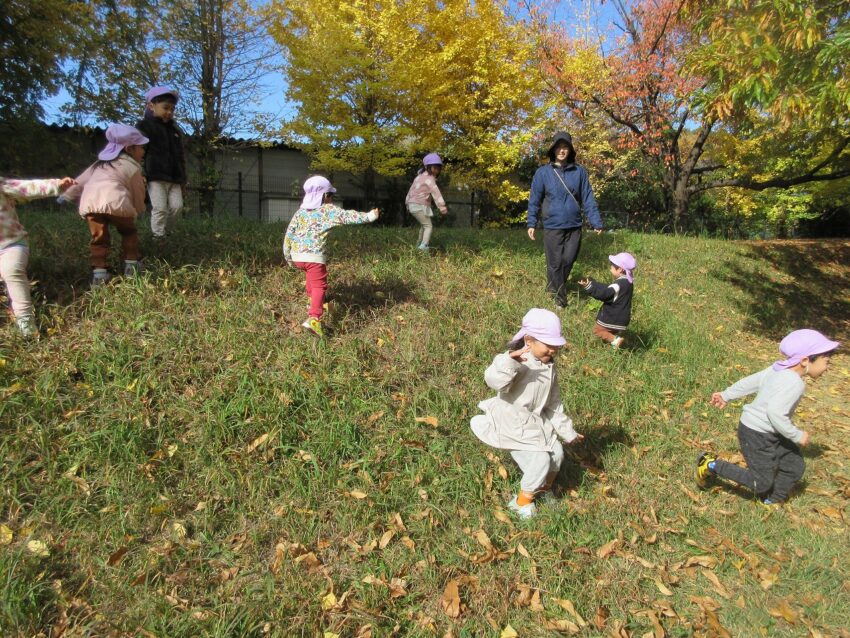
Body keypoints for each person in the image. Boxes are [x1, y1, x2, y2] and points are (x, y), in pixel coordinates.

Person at [697, 329, 839, 505]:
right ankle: (711, 464)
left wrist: (726, 395)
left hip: (771, 431)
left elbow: (750, 382)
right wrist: (796, 435)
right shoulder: (795, 383)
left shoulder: (777, 369)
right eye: (826, 361)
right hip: (756, 433)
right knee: (761, 482)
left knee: (794, 466)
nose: (827, 367)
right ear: (805, 361)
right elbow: (775, 414)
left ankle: (772, 500)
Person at [470, 309, 584, 519]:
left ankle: (542, 489)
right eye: (548, 344)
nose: (553, 350)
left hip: (536, 424)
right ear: (529, 341)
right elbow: (494, 381)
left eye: (556, 345)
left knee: (557, 454)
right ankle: (521, 502)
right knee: (540, 461)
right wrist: (508, 362)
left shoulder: (549, 366)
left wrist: (567, 431)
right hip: (512, 425)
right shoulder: (517, 362)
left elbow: (553, 403)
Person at [283, 176, 380, 337]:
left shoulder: (300, 213)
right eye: (330, 195)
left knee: (311, 278)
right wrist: (370, 216)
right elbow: (348, 216)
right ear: (324, 196)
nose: (331, 199)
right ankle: (314, 318)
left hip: (297, 256)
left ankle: (312, 301)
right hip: (314, 257)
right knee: (319, 285)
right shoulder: (328, 210)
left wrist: (288, 256)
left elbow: (289, 234)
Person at [63, 124, 148, 286]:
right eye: (141, 147)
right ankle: (131, 267)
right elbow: (138, 191)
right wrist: (138, 209)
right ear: (129, 149)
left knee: (99, 239)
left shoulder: (99, 164)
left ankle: (99, 274)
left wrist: (67, 195)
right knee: (129, 232)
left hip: (91, 204)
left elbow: (80, 181)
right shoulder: (132, 167)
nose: (143, 151)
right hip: (117, 202)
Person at [527, 132, 603, 309]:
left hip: (574, 225)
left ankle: (553, 286)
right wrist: (532, 222)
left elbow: (588, 197)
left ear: (570, 150)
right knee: (555, 263)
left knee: (568, 260)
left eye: (565, 147)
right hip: (552, 225)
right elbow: (534, 199)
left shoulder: (579, 172)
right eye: (559, 147)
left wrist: (596, 221)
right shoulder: (543, 173)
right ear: (553, 150)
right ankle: (560, 300)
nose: (562, 151)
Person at [1, 176, 75, 336]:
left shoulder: (2, 185)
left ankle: (26, 323)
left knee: (12, 271)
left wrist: (57, 185)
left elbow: (27, 187)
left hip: (11, 244)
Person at [136, 86, 186, 240]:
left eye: (172, 109)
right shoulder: (145, 127)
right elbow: (138, 151)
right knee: (160, 208)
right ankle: (158, 237)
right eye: (165, 108)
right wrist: (141, 172)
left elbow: (180, 156)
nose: (169, 112)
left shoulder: (175, 131)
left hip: (174, 178)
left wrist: (183, 179)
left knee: (177, 207)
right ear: (151, 106)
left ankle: (166, 232)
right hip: (155, 176)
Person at [578, 252, 636, 349]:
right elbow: (608, 288)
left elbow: (604, 294)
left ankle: (615, 340)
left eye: (612, 266)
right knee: (608, 333)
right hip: (622, 318)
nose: (610, 268)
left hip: (612, 317)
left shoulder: (617, 285)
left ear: (620, 269)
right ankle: (613, 345)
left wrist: (589, 287)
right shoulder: (628, 283)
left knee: (597, 331)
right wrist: (593, 284)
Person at [405, 153, 448, 251]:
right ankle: (423, 247)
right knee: (428, 226)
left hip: (413, 204)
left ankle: (418, 245)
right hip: (419, 205)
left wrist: (407, 202)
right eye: (434, 168)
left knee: (424, 226)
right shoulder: (430, 179)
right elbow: (435, 192)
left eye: (438, 168)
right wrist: (442, 206)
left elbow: (410, 190)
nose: (436, 171)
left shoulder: (418, 177)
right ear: (427, 167)